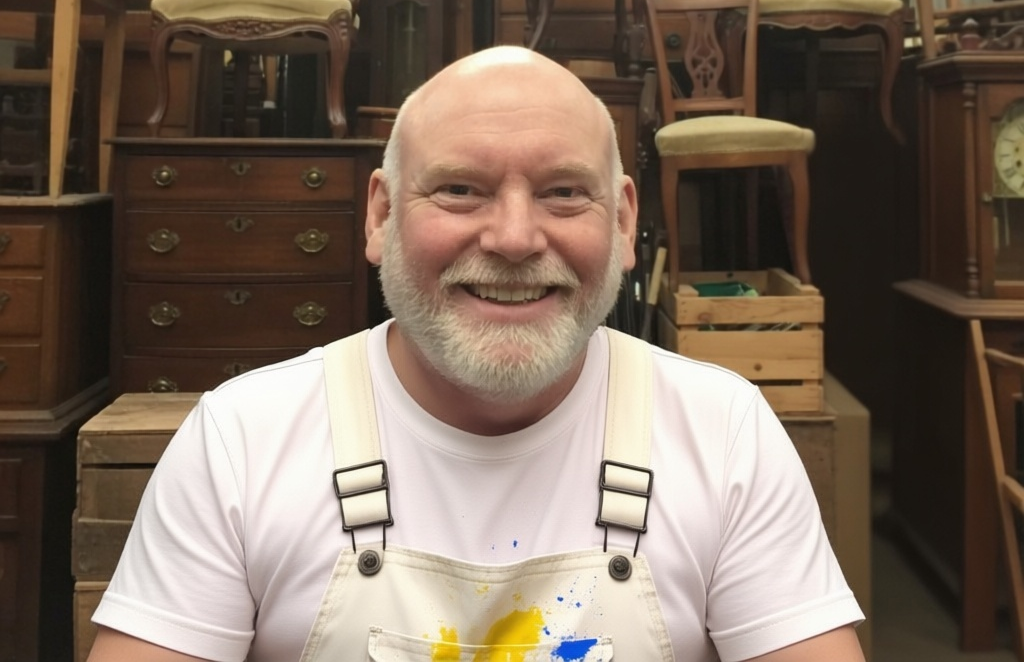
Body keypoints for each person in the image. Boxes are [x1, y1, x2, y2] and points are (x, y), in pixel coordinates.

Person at [87, 45, 866, 662]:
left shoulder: (721, 430)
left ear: (625, 223)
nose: (516, 239)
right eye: (460, 190)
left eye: (564, 192)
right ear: (380, 215)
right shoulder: (243, 440)